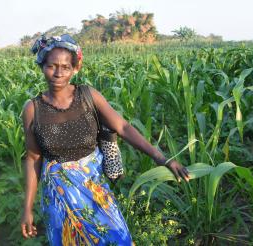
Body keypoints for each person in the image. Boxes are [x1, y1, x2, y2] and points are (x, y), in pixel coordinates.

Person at [20, 34, 190, 245]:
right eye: (52, 66)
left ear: (75, 68)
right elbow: (33, 158)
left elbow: (124, 127)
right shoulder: (32, 109)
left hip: (95, 189)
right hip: (59, 198)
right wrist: (27, 208)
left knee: (118, 238)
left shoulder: (88, 96)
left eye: (65, 66)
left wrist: (162, 158)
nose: (58, 73)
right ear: (42, 66)